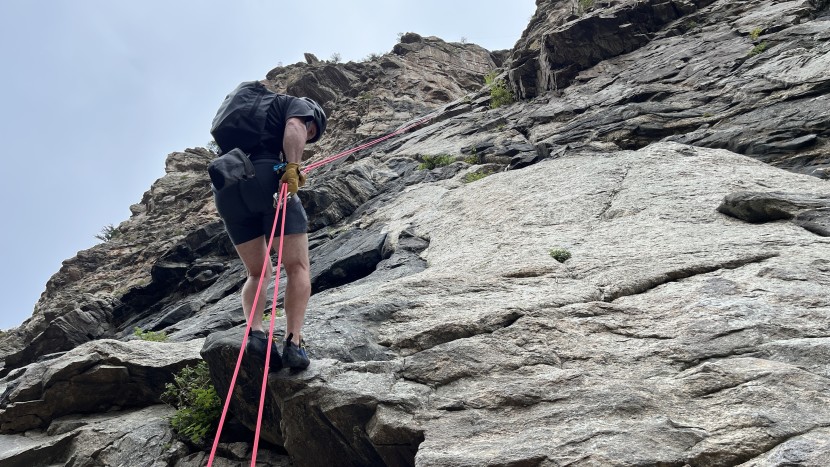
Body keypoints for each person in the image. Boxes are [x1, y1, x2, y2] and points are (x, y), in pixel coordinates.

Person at [212, 82, 327, 371]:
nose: (309, 135)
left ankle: (256, 336)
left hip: (227, 187)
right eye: (312, 131)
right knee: (297, 267)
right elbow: (294, 126)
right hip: (265, 176)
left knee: (257, 271)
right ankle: (293, 343)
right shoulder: (297, 105)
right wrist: (292, 166)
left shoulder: (252, 113)